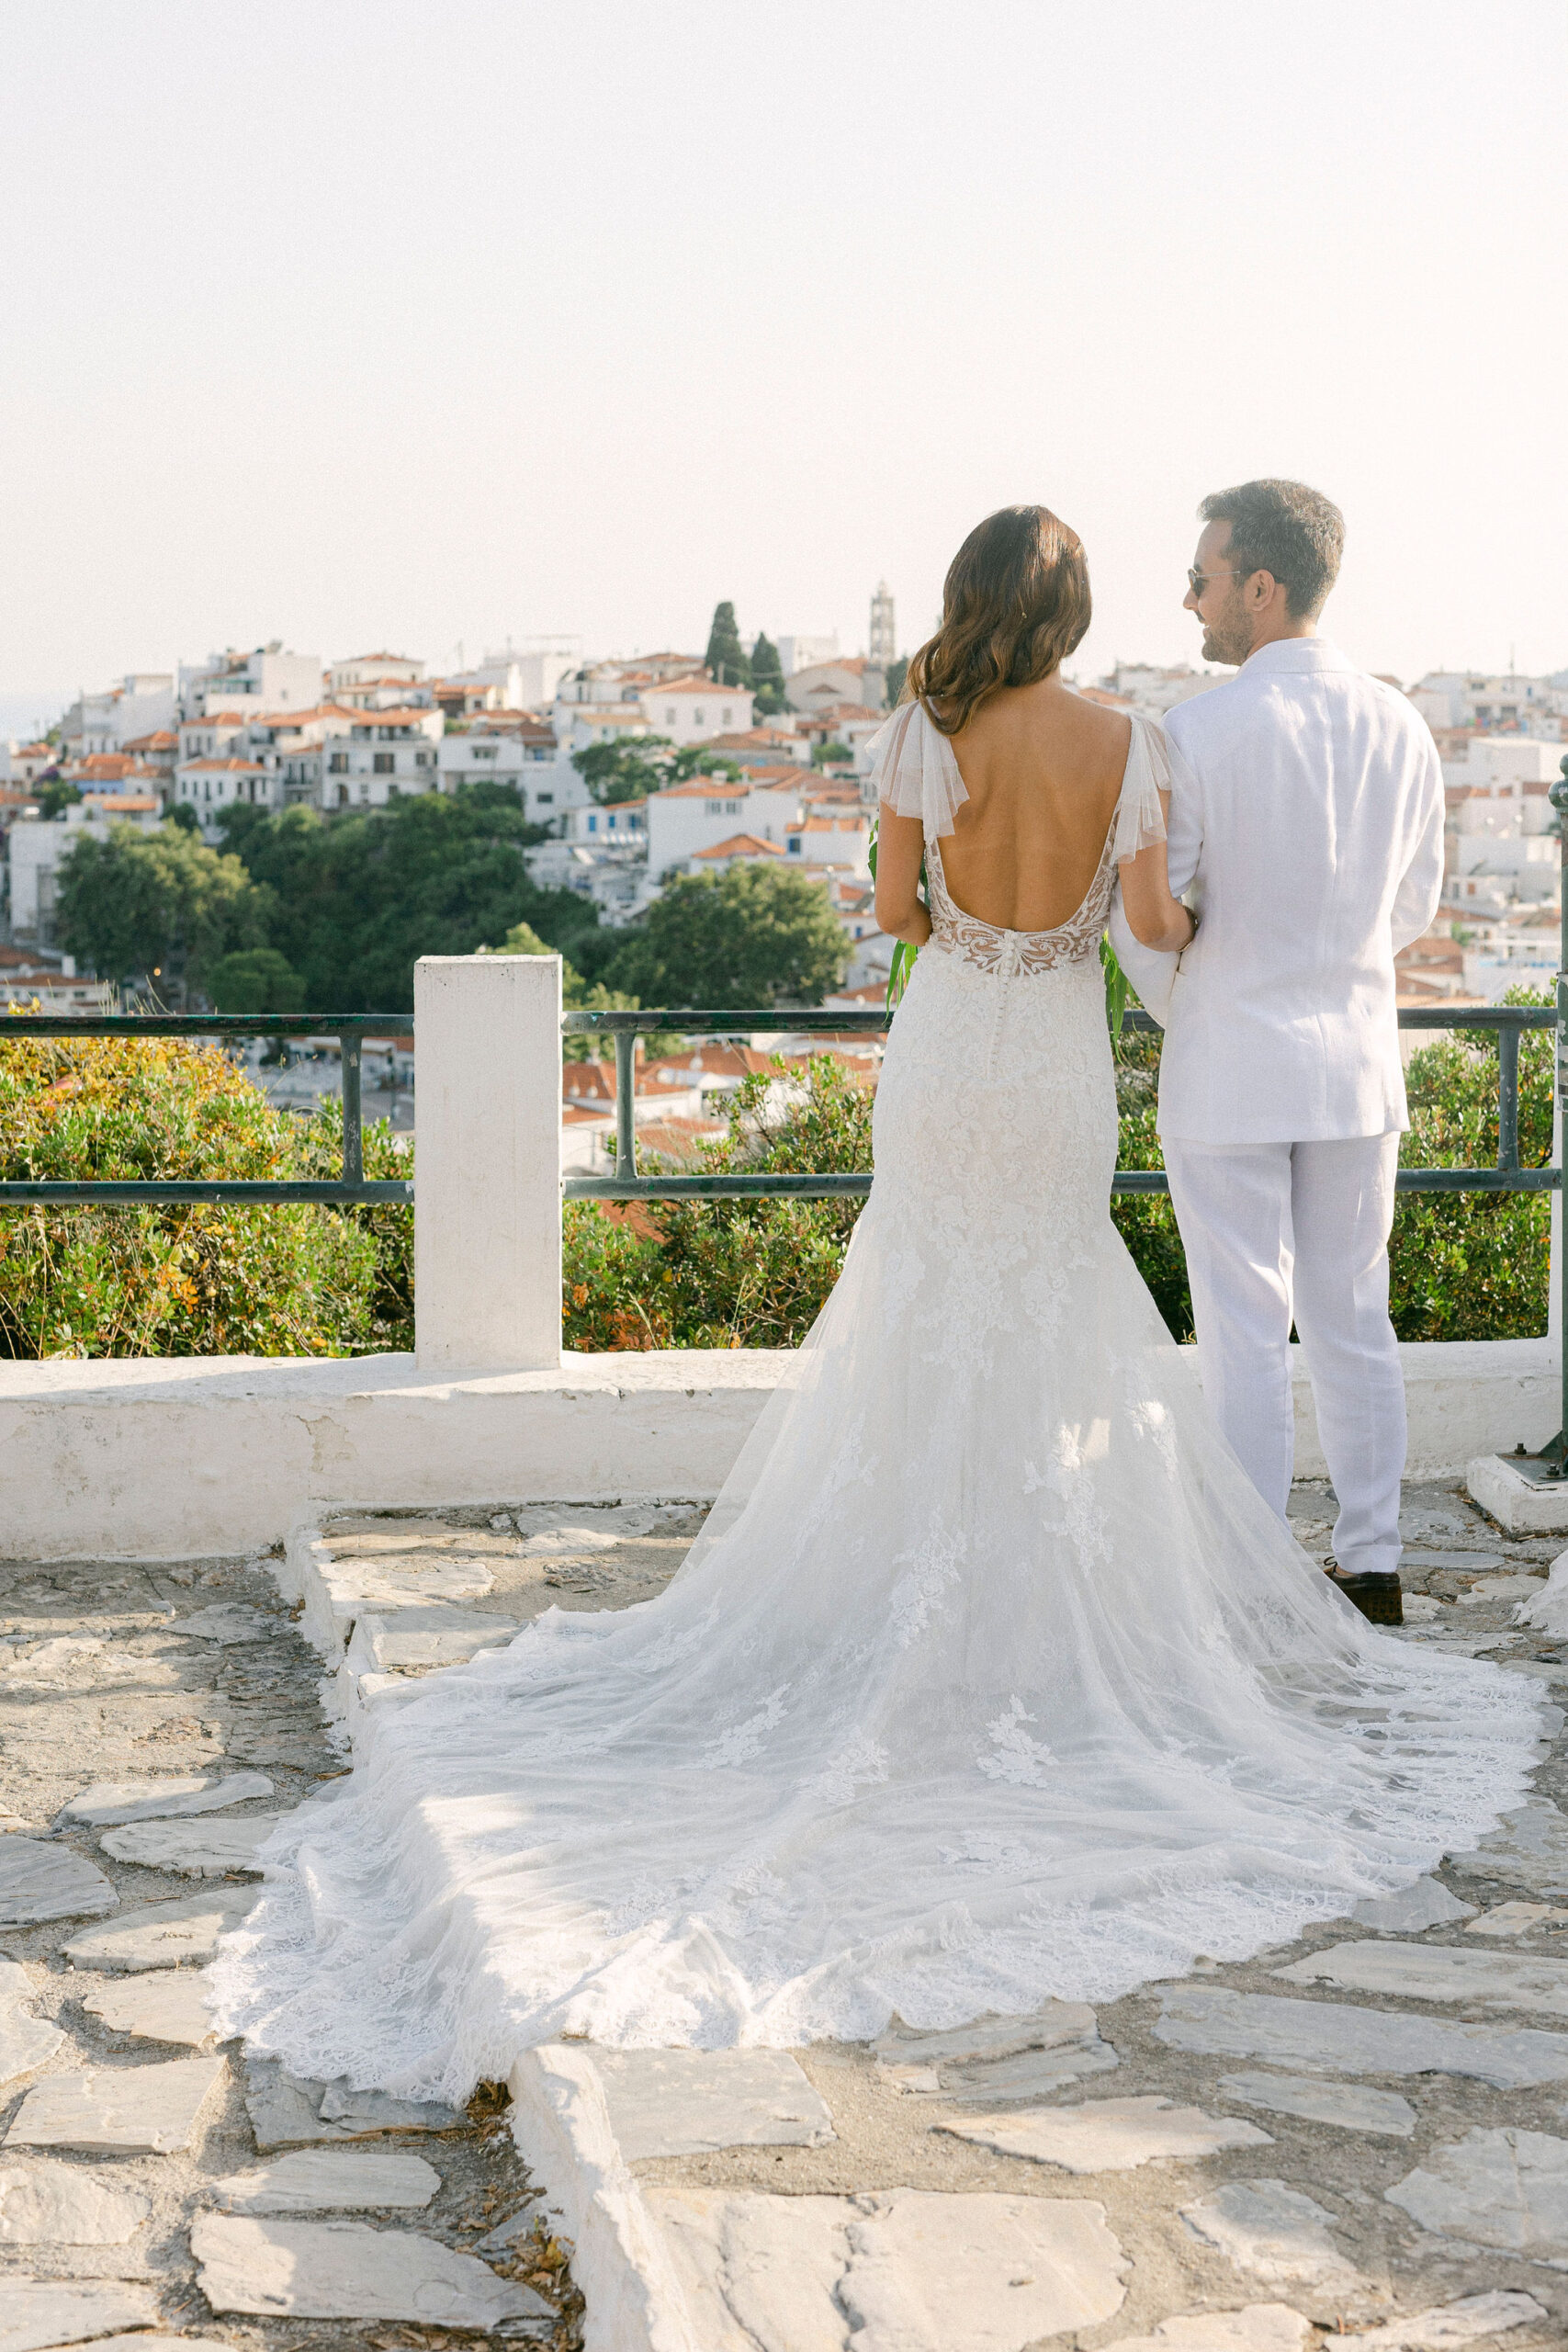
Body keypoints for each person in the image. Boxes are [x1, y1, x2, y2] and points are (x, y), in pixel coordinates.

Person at [211, 505, 1537, 2103]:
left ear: (972, 601)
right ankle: (1155, 1586)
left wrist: (971, 904)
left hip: (947, 1051)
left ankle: (902, 1583)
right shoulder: (1135, 738)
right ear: (1078, 609)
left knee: (920, 1301)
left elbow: (900, 918)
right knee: (1074, 1306)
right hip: (1061, 1061)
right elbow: (1147, 927)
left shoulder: (926, 727)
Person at [1110, 481, 1443, 1628]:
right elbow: (1416, 907)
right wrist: (1332, 970)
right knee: (1356, 1317)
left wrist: (1194, 997)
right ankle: (1375, 1562)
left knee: (1244, 1329)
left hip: (1229, 1064)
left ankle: (1253, 1576)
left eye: (1202, 576)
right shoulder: (1402, 723)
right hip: (1356, 1061)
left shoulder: (1195, 731)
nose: (1189, 599)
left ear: (1261, 585)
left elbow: (1152, 912)